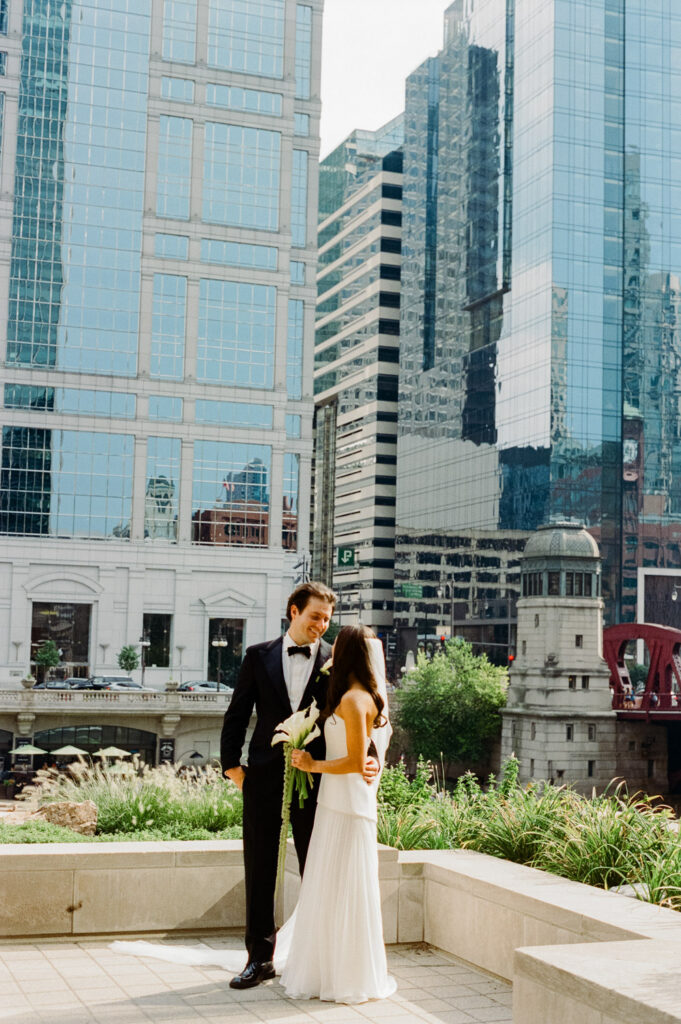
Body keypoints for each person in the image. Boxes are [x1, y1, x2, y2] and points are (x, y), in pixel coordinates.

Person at [219, 581, 379, 990]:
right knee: (259, 868)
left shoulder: (335, 661)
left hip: (318, 782)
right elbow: (236, 714)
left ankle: (317, 959)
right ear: (294, 611)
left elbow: (365, 713)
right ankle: (259, 959)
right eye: (314, 617)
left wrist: (373, 757)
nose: (321, 626)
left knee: (318, 868)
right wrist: (231, 767)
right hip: (263, 778)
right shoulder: (258, 656)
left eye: (326, 619)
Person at [281, 624, 396, 1003]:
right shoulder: (357, 696)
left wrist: (312, 766)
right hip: (339, 803)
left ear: (345, 654)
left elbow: (354, 760)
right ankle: (332, 970)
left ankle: (345, 976)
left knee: (344, 887)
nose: (328, 655)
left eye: (335, 650)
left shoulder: (354, 700)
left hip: (346, 806)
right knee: (333, 888)